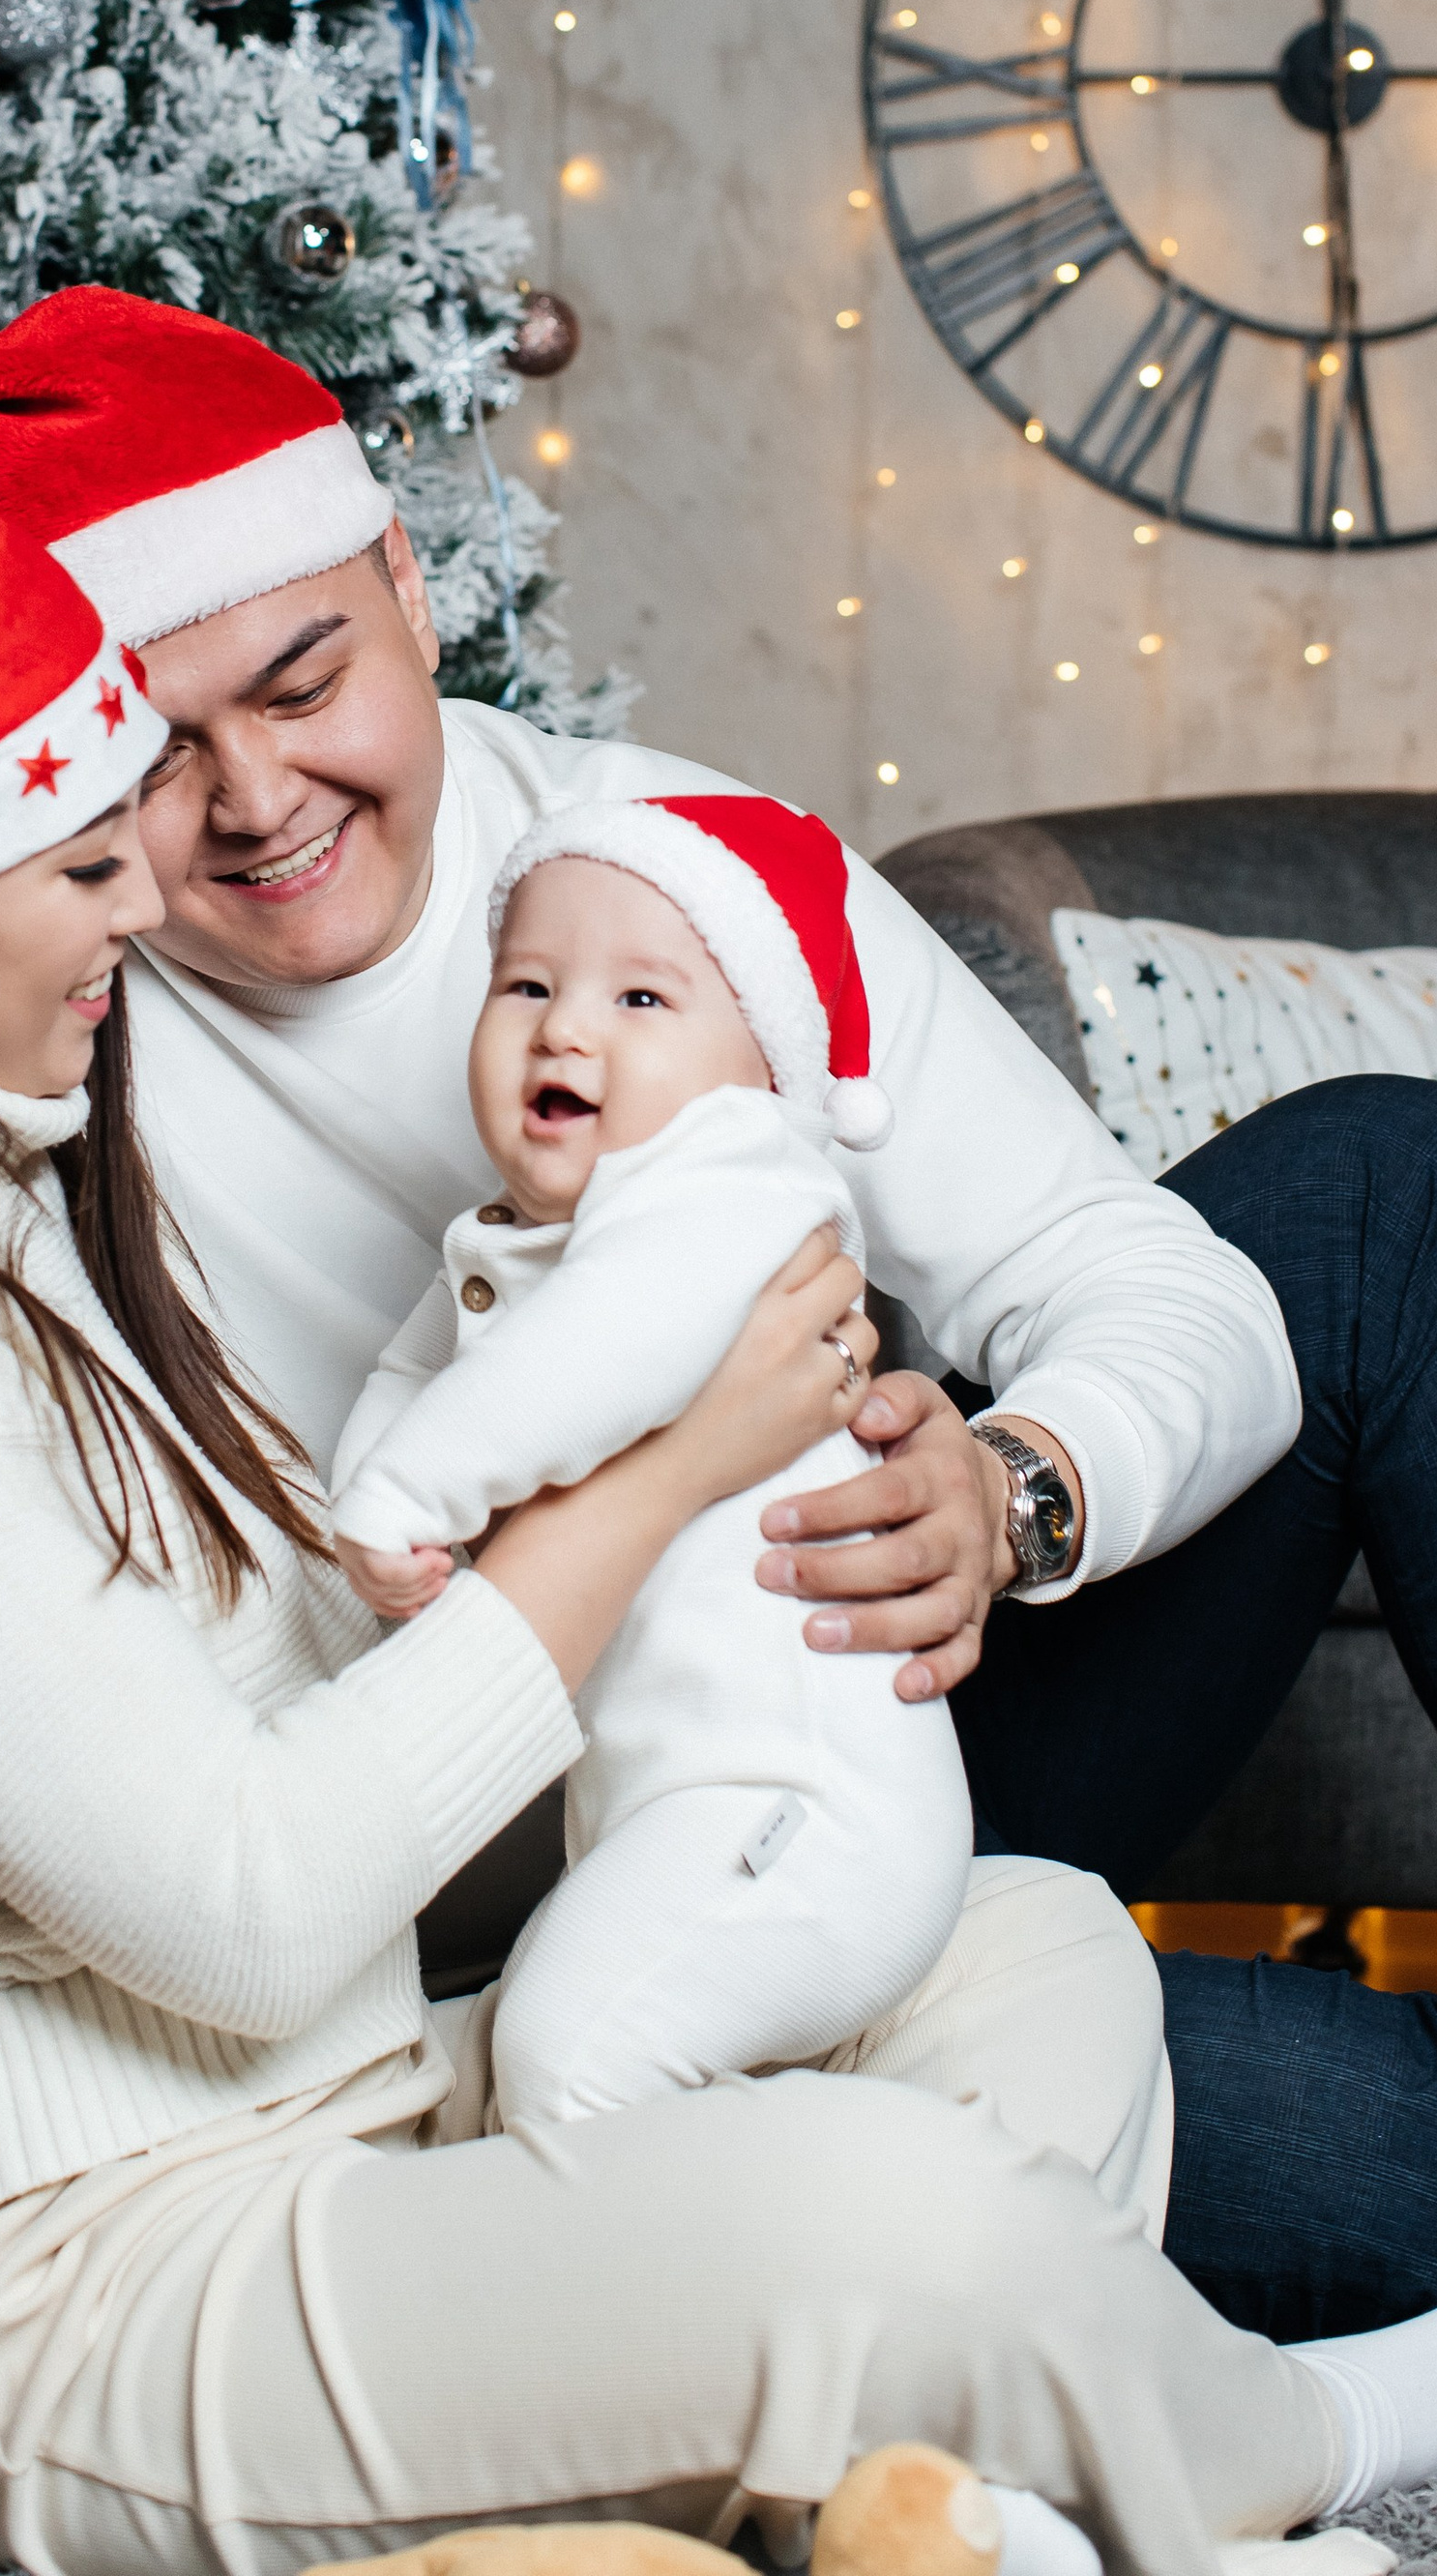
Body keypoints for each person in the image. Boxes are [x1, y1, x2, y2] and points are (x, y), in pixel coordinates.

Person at [0, 280, 1437, 2349]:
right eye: (154, 753)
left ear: (408, 592)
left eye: (305, 681)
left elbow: (1130, 1284)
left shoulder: (669, 879)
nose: (252, 804)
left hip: (866, 1725)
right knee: (1407, 2172)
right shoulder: (30, 1038)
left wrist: (1019, 1495)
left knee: (1393, 1190)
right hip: (517, 1957)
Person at [330, 793, 974, 2126]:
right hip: (670, 1815)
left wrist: (409, 1496)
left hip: (803, 1814)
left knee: (572, 2055)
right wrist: (374, 1511)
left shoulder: (734, 1181)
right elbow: (413, 1377)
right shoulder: (518, 1238)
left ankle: (703, 2303)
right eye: (528, 984)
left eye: (641, 1000)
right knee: (523, 2051)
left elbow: (601, 1357)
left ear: (763, 1070)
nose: (565, 1026)